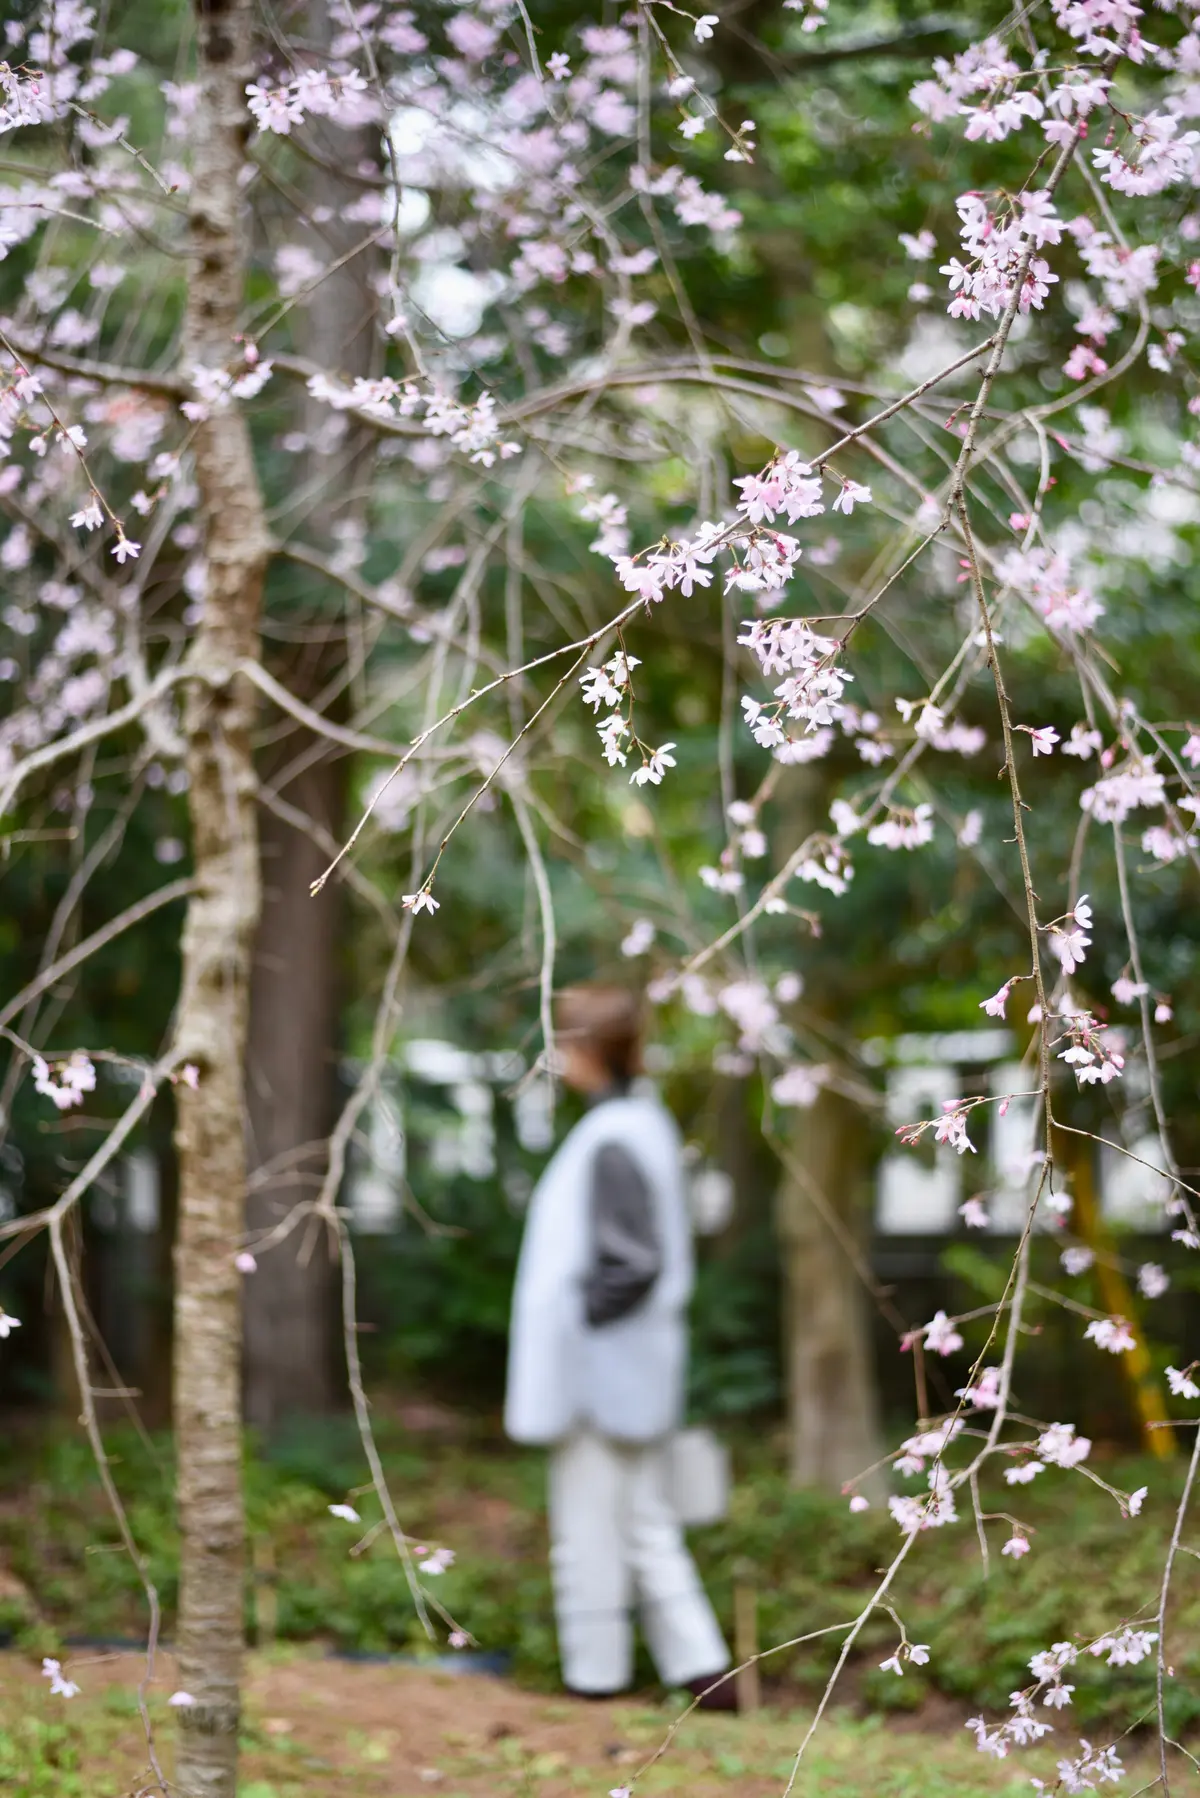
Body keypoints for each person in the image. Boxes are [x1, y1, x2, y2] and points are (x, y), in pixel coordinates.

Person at [504, 984, 733, 1707]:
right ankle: (706, 1676)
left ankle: (594, 1681)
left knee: (589, 1534)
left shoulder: (612, 1138)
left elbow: (631, 1264)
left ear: (585, 1050)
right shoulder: (640, 1125)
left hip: (598, 1377)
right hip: (630, 1369)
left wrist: (574, 1326)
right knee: (643, 1523)